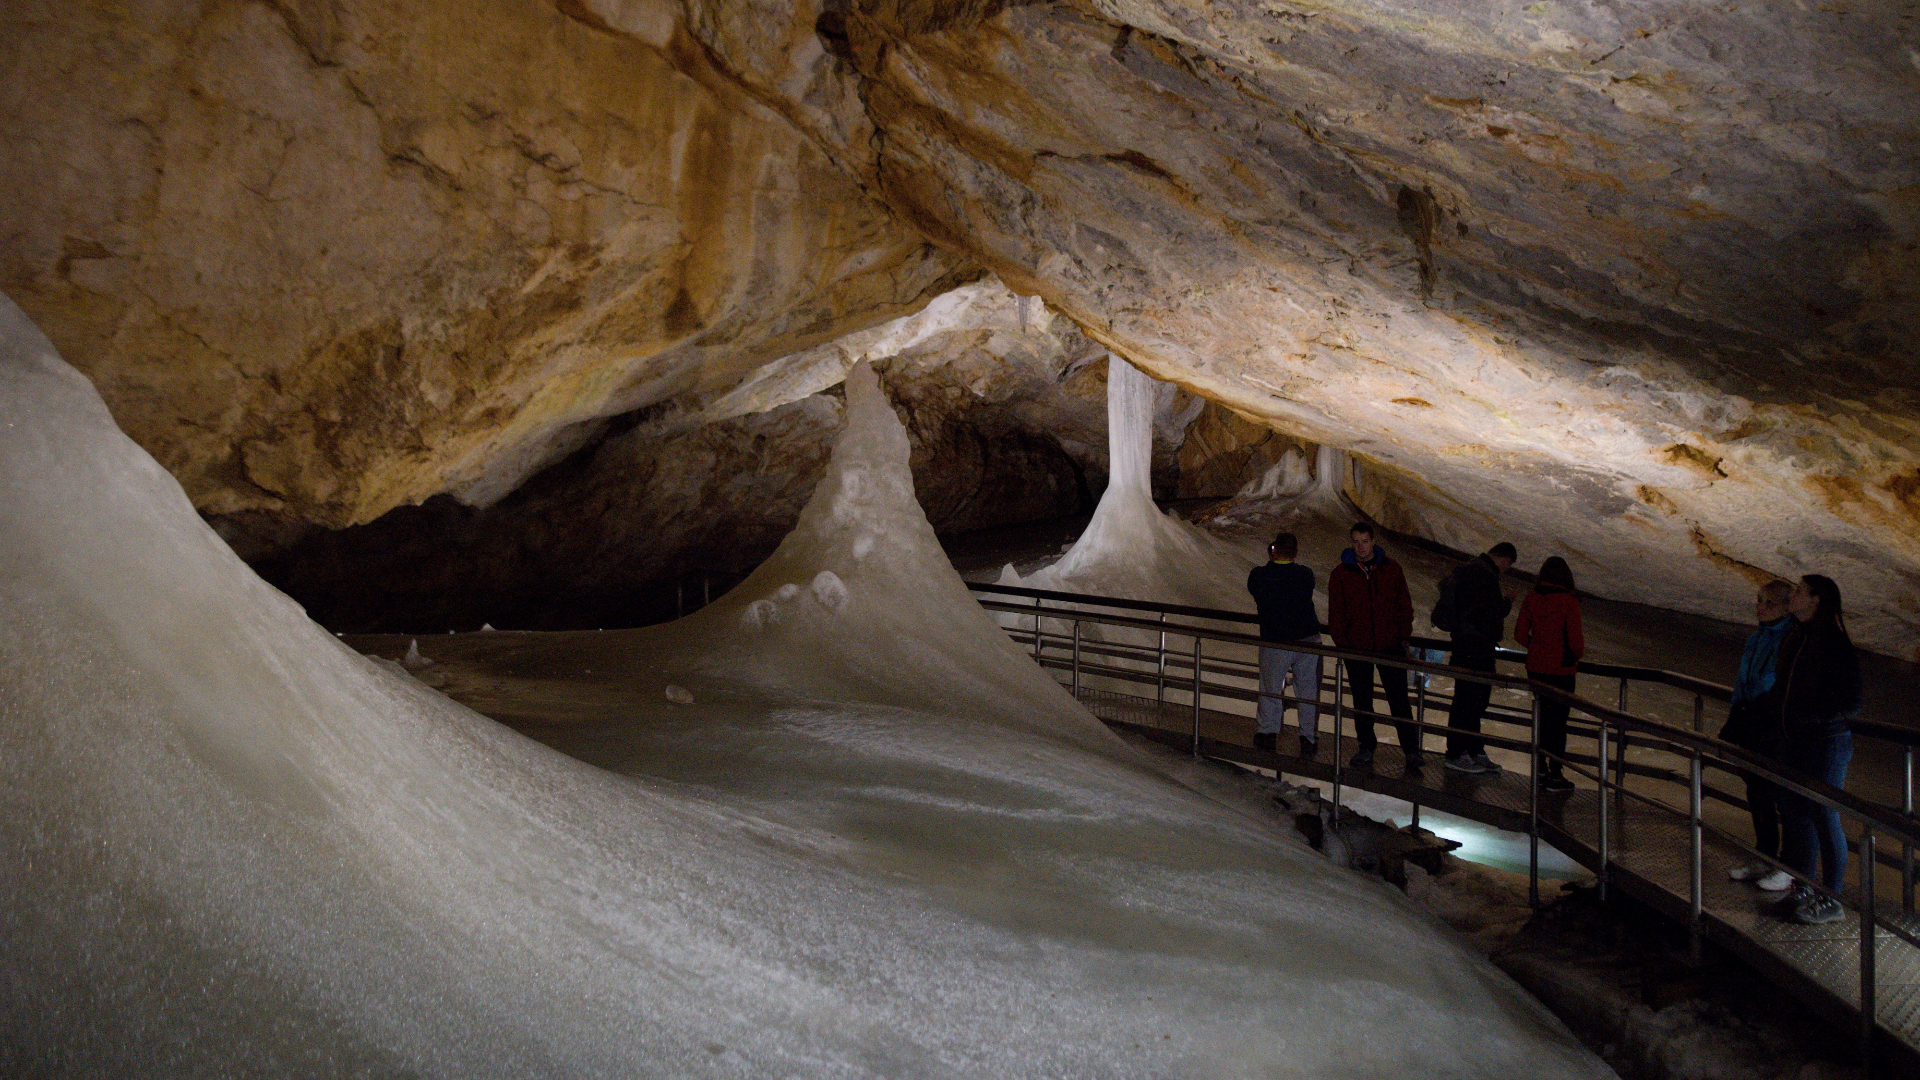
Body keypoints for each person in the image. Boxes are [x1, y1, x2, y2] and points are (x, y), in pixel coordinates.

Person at [1769, 575, 1863, 925]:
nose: (1791, 596)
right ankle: (1804, 888)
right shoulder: (1798, 638)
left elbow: (1852, 700)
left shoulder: (1833, 644)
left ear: (1816, 600)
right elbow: (1783, 688)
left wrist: (1812, 716)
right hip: (1794, 739)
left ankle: (1832, 898)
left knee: (1823, 814)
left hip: (1825, 742)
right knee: (1795, 812)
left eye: (1797, 591)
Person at [1327, 522, 1420, 771]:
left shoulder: (1391, 569)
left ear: (1373, 541)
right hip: (1358, 647)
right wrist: (1344, 642)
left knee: (1398, 699)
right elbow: (1336, 612)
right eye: (1356, 541)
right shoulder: (1341, 573)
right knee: (1362, 700)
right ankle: (1366, 746)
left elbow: (1404, 604)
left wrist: (1403, 636)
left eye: (1364, 541)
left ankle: (1411, 750)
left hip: (1389, 644)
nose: (1360, 547)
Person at [1722, 581, 1795, 892]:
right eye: (1759, 600)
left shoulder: (1791, 639)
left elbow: (1772, 681)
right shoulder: (1757, 638)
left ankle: (1788, 866)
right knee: (1757, 791)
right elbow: (1743, 680)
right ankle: (1764, 855)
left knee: (1781, 795)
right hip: (1751, 723)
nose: (1760, 606)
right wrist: (1737, 711)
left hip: (1772, 726)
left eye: (1769, 602)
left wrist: (1753, 701)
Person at [1437, 542, 1515, 775]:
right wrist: (1508, 602)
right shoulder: (1485, 575)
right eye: (1508, 566)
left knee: (1471, 700)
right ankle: (1457, 753)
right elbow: (1492, 611)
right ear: (1504, 559)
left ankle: (1472, 749)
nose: (1505, 570)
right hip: (1475, 648)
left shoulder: (1471, 569)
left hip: (1467, 646)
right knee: (1470, 701)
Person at [1247, 531, 1323, 757]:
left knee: (1271, 687)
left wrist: (1271, 558)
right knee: (1307, 690)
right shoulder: (1305, 575)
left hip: (1275, 639)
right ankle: (1308, 738)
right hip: (1307, 638)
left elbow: (1258, 589)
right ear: (1296, 553)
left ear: (1274, 550)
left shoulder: (1260, 576)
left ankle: (1267, 733)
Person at [1512, 556, 1584, 792]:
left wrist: (1537, 649)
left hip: (1536, 668)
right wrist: (1573, 654)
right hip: (1561, 670)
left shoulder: (1532, 597)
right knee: (1558, 723)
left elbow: (1520, 634)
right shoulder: (1568, 602)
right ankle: (1555, 774)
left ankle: (1540, 768)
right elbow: (1575, 642)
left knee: (1542, 718)